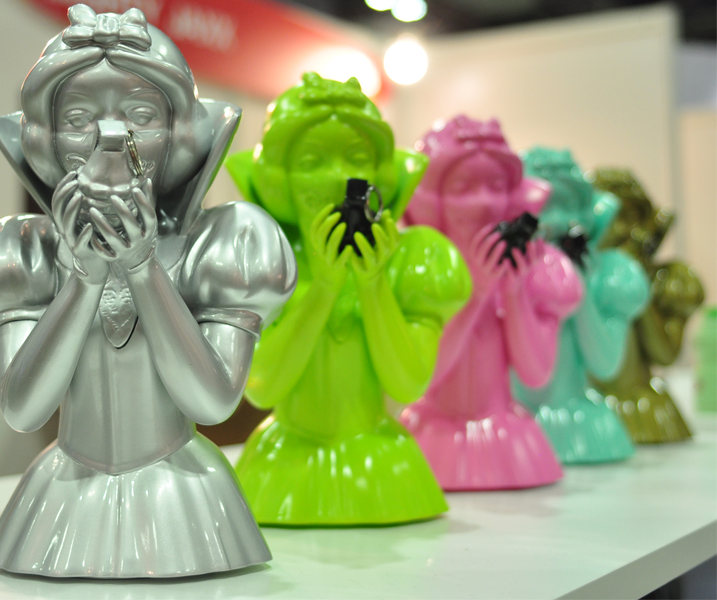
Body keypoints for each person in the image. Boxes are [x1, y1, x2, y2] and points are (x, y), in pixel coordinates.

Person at [0, 4, 295, 578]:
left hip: (181, 496)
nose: (112, 136)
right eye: (78, 117)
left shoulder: (224, 245)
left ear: (180, 133)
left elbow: (211, 403)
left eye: (140, 114)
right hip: (64, 495)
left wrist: (142, 269)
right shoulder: (21, 256)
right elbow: (24, 408)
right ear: (46, 137)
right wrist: (83, 280)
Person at [226, 73, 471, 525]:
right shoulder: (260, 260)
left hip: (383, 467)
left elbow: (408, 384)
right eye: (312, 161)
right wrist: (322, 287)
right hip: (282, 468)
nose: (339, 176)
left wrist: (373, 286)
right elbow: (263, 387)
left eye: (356, 158)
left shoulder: (412, 259)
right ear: (280, 179)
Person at [400, 116, 581, 490]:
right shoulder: (418, 267)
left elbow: (535, 374)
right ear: (433, 199)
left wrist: (513, 293)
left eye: (496, 186)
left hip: (508, 442)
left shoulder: (537, 268)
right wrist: (479, 293)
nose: (483, 202)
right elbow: (419, 377)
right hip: (432, 439)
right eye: (462, 188)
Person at [513, 149, 649, 463]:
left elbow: (605, 364)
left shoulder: (608, 276)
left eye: (567, 205)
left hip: (581, 424)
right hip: (521, 421)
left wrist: (580, 290)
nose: (554, 221)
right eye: (542, 206)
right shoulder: (505, 275)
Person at [590, 168, 704, 442]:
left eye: (625, 217)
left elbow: (665, 355)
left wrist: (635, 285)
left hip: (641, 410)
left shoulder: (665, 281)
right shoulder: (579, 279)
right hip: (591, 408)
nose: (614, 229)